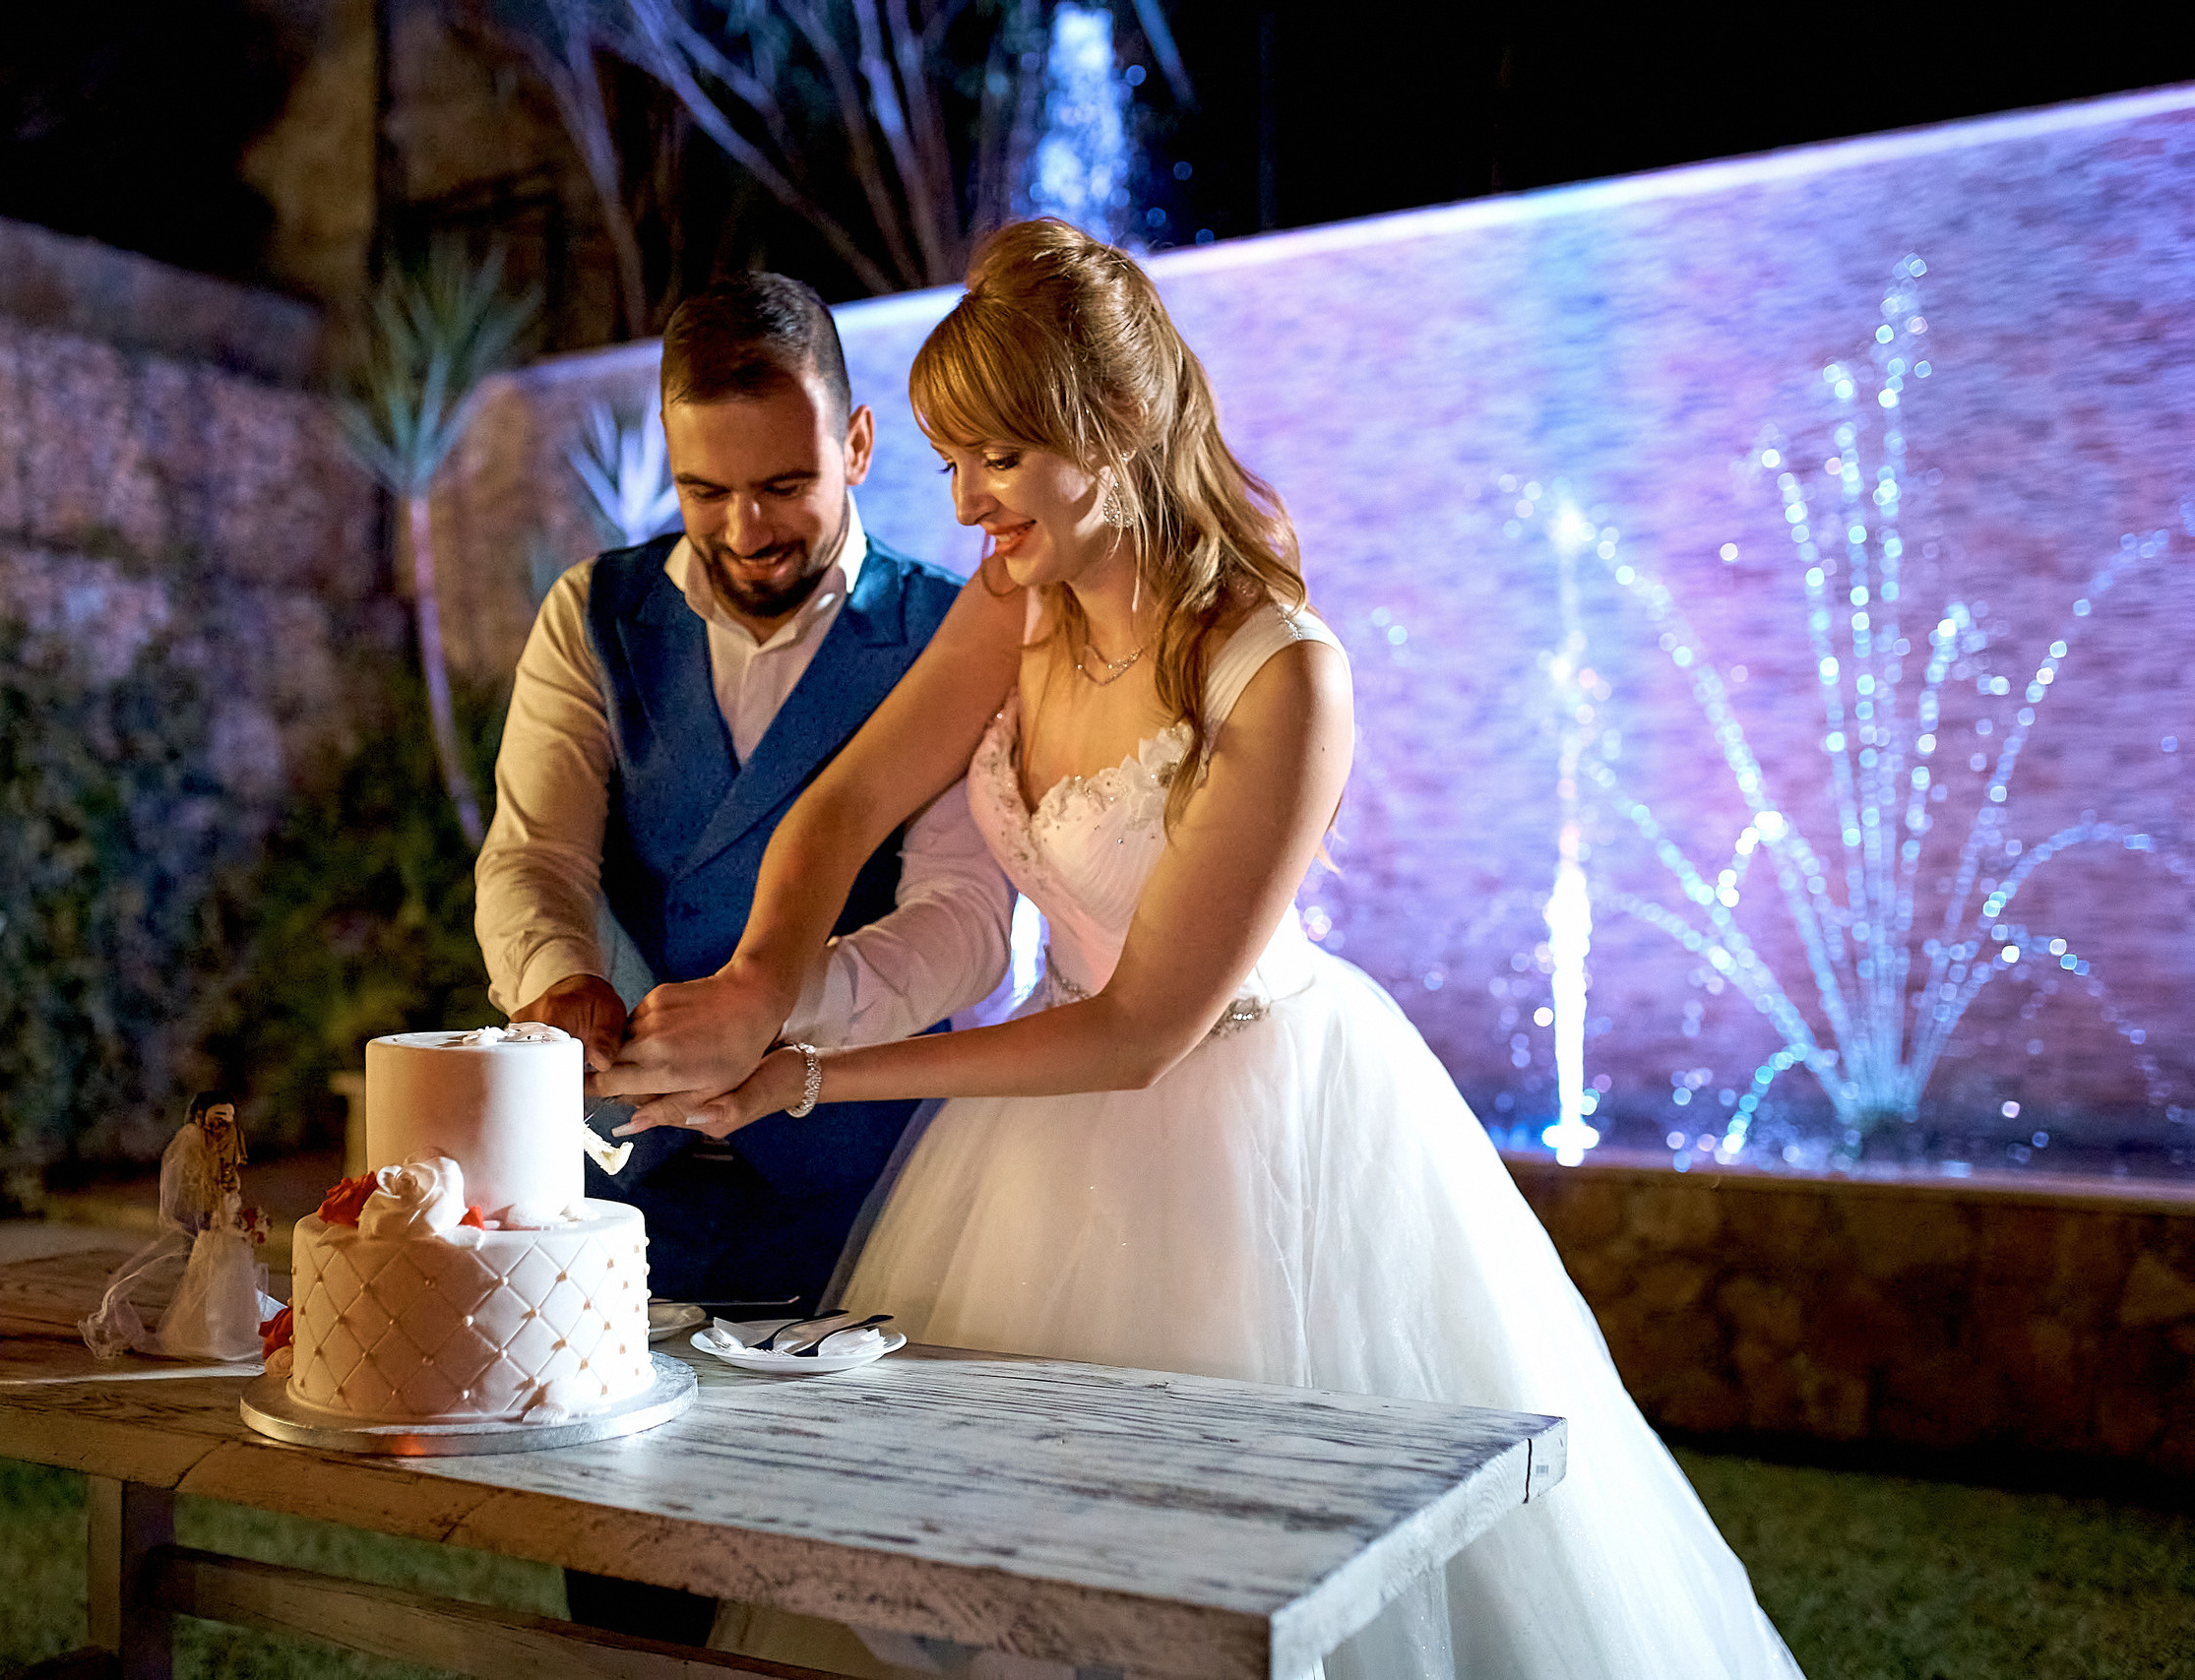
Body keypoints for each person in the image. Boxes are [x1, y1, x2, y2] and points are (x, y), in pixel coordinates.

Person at [599, 222, 1802, 1680]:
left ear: (1106, 430)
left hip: (1244, 1125)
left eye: (996, 458)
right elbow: (847, 798)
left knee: (1221, 1575)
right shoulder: (1015, 596)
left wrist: (797, 1077)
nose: (963, 499)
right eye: (954, 456)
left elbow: (1137, 1033)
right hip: (1030, 1136)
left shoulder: (1286, 676)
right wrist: (754, 982)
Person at [476, 273, 1012, 1310]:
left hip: (865, 1183)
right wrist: (558, 979)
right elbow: (535, 854)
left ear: (855, 446)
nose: (744, 530)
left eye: (782, 484)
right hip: (613, 1180)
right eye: (704, 493)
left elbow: (964, 922)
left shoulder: (959, 635)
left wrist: (759, 1012)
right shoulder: (591, 612)